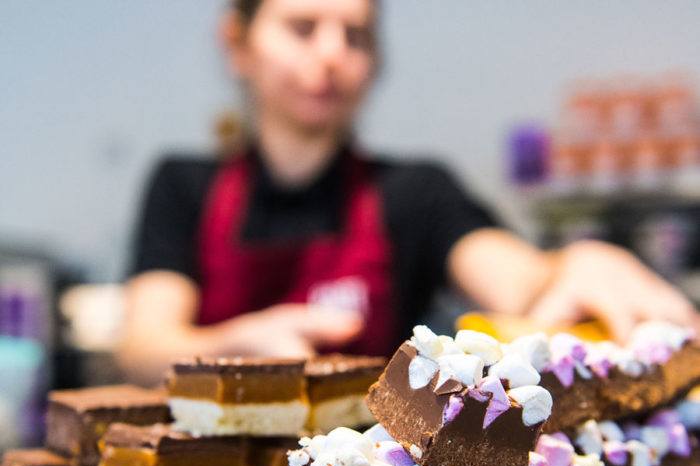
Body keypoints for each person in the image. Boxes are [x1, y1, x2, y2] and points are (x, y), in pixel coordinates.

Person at [119, 0, 697, 385]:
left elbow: (517, 279)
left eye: (356, 36)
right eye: (302, 28)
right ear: (238, 44)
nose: (331, 54)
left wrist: (571, 266)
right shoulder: (184, 186)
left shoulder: (415, 192)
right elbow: (143, 346)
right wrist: (238, 346)